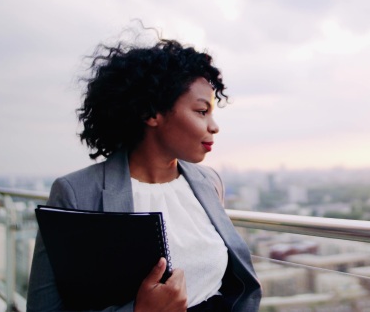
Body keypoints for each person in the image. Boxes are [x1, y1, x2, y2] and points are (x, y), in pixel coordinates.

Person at [27, 34, 262, 312]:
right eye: (201, 111)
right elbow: (43, 307)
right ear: (151, 113)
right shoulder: (77, 192)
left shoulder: (208, 182)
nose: (214, 126)